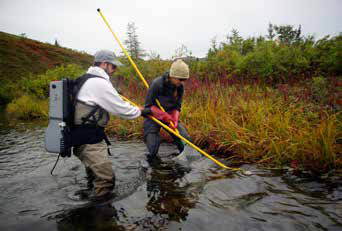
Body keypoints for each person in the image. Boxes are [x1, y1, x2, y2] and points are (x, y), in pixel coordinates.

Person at [73, 50, 142, 201]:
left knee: (94, 177)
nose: (114, 70)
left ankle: (88, 211)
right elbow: (123, 110)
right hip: (89, 140)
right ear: (104, 64)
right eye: (113, 67)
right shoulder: (98, 83)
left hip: (82, 138)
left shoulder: (85, 79)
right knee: (106, 180)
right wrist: (141, 111)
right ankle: (101, 218)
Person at [142, 59, 191, 163]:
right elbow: (147, 108)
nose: (181, 82)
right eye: (179, 79)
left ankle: (184, 162)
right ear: (171, 76)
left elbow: (177, 106)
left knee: (185, 139)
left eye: (184, 80)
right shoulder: (157, 84)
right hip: (152, 118)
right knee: (153, 148)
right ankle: (152, 167)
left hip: (170, 117)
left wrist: (175, 118)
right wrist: (162, 115)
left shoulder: (179, 87)